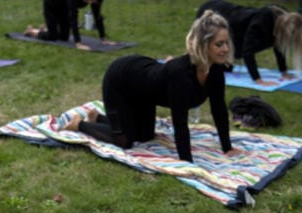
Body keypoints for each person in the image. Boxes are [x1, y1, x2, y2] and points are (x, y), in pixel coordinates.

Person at [63, 10, 240, 163]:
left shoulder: (215, 72)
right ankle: (79, 124)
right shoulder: (181, 76)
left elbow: (219, 110)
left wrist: (227, 147)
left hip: (144, 91)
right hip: (121, 79)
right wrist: (187, 162)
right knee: (124, 140)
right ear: (203, 45)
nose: (225, 49)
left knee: (146, 135)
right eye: (219, 44)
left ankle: (98, 117)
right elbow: (180, 123)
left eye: (226, 43)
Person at [196, 1, 302, 86]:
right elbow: (248, 51)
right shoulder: (262, 22)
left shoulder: (283, 21)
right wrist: (257, 80)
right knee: (211, 66)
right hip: (214, 13)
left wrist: (284, 71)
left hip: (233, 30)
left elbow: (278, 46)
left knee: (225, 68)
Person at [23, 0, 114, 51]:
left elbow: (97, 16)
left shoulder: (96, 1)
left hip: (64, 8)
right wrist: (78, 43)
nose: (91, 2)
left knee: (64, 37)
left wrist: (103, 38)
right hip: (51, 5)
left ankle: (47, 28)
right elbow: (73, 18)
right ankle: (32, 31)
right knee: (52, 36)